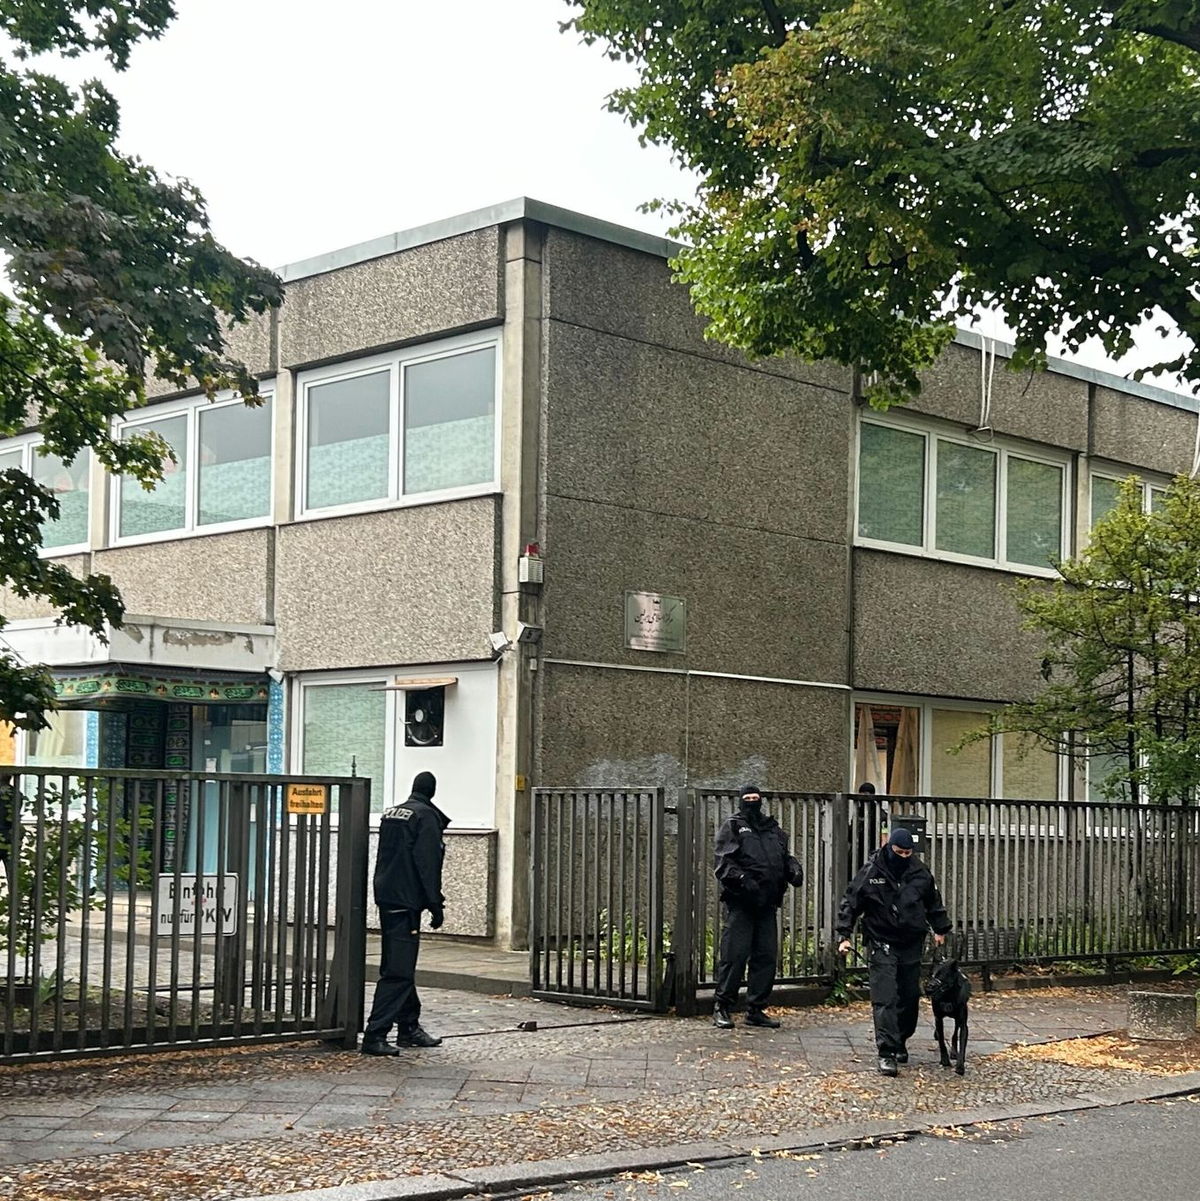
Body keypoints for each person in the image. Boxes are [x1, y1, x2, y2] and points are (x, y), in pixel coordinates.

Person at [836, 827, 951, 1077]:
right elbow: (851, 901)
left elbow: (933, 901)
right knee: (885, 996)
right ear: (890, 848)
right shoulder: (872, 871)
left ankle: (900, 1039)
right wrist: (844, 934)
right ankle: (886, 1052)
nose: (903, 857)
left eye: (908, 853)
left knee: (909, 995)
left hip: (911, 940)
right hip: (881, 940)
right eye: (899, 852)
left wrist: (940, 928)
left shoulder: (920, 872)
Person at [361, 771, 449, 1055]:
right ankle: (375, 1034)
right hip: (406, 900)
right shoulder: (425, 817)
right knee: (398, 972)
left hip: (388, 896)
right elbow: (428, 863)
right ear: (432, 791)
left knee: (400, 964)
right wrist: (435, 904)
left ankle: (409, 1027)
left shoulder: (392, 814)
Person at [711, 784, 804, 1030]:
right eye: (748, 798)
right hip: (741, 903)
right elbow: (723, 862)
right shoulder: (733, 826)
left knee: (766, 957)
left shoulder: (772, 828)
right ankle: (722, 1006)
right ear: (741, 801)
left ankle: (756, 1009)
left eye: (756, 797)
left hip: (767, 903)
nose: (752, 801)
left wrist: (793, 868)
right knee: (734, 956)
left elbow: (785, 856)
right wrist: (742, 879)